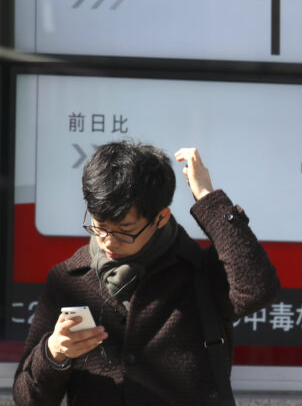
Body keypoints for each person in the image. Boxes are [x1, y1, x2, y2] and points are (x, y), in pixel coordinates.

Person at [13, 141, 280, 406]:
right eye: (98, 226)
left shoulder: (200, 271)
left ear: (161, 218)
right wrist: (53, 354)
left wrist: (209, 200)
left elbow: (258, 289)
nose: (108, 240)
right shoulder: (68, 278)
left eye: (124, 231)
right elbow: (25, 398)